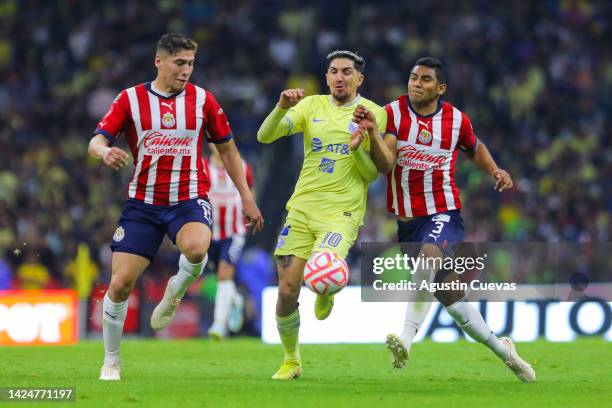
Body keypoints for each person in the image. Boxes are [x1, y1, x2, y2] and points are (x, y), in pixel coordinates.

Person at [88, 32, 263, 381]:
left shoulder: (203, 101)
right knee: (120, 284)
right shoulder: (131, 99)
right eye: (180, 63)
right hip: (144, 202)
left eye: (191, 64)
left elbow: (228, 150)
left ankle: (176, 289)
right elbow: (96, 140)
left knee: (198, 249)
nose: (186, 70)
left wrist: (246, 196)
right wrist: (105, 151)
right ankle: (111, 360)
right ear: (160, 61)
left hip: (188, 198)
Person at [353, 57, 535, 382]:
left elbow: (473, 147)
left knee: (429, 256)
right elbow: (385, 164)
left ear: (441, 88)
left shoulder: (456, 120)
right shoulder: (392, 113)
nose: (416, 84)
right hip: (407, 224)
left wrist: (495, 170)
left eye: (424, 79)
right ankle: (503, 349)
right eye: (412, 77)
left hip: (443, 212)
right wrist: (374, 136)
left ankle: (406, 340)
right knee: (454, 304)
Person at [257, 50, 387, 380]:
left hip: (341, 213)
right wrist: (281, 107)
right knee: (286, 290)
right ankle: (291, 360)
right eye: (333, 71)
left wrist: (357, 149)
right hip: (301, 208)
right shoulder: (310, 105)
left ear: (360, 78)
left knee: (321, 271)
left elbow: (372, 174)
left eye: (346, 71)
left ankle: (325, 290)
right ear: (326, 76)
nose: (339, 77)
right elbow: (265, 135)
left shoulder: (372, 113)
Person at [204, 144, 254, 339]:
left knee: (225, 274)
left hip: (234, 231)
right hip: (209, 233)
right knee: (221, 278)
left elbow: (250, 191)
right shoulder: (202, 167)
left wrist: (250, 215)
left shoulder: (242, 166)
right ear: (209, 145)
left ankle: (218, 326)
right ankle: (236, 300)